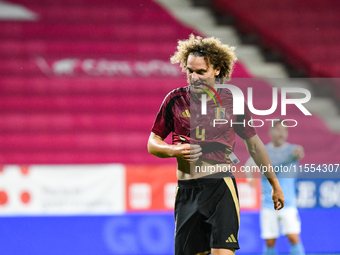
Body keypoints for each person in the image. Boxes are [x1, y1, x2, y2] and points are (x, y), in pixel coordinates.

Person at [147, 34, 284, 255]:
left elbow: (255, 145)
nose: (194, 77)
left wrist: (274, 184)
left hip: (220, 188)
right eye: (190, 70)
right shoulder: (174, 100)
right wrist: (173, 150)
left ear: (217, 70)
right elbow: (153, 143)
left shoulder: (232, 101)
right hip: (186, 191)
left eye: (201, 72)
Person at [244, 120, 305, 255]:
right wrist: (250, 177)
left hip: (288, 203)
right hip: (268, 204)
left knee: (293, 237)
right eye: (278, 129)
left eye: (284, 130)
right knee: (270, 241)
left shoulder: (292, 150)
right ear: (270, 132)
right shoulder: (264, 151)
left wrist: (299, 152)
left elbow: (299, 152)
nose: (281, 133)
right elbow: (248, 165)